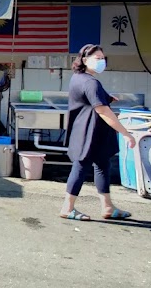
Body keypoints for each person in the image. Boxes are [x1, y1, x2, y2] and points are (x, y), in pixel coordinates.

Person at [60, 44, 136, 221]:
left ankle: (108, 207)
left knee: (103, 165)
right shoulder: (90, 82)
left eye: (103, 58)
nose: (102, 61)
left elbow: (90, 98)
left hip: (93, 131)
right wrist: (125, 133)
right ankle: (67, 207)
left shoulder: (79, 78)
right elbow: (102, 110)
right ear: (85, 60)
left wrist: (107, 98)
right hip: (89, 132)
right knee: (80, 167)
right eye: (98, 58)